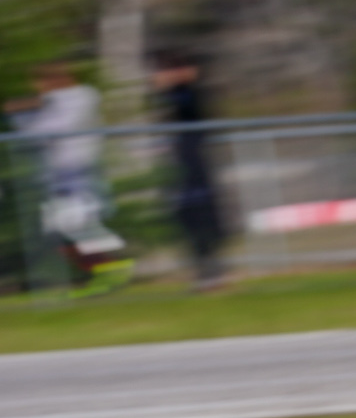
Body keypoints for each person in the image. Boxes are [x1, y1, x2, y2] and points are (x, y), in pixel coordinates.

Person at [5, 62, 132, 294]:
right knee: (61, 233)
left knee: (76, 228)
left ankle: (113, 270)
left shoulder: (81, 97)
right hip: (59, 175)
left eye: (41, 84)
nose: (39, 89)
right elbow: (35, 135)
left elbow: (46, 131)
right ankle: (108, 271)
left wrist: (25, 111)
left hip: (78, 172)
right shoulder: (55, 103)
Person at [150, 49, 227, 287]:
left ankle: (212, 271)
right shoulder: (169, 96)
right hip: (178, 165)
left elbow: (189, 111)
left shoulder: (190, 93)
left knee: (202, 215)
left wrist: (173, 86)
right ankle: (203, 270)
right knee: (185, 217)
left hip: (194, 164)